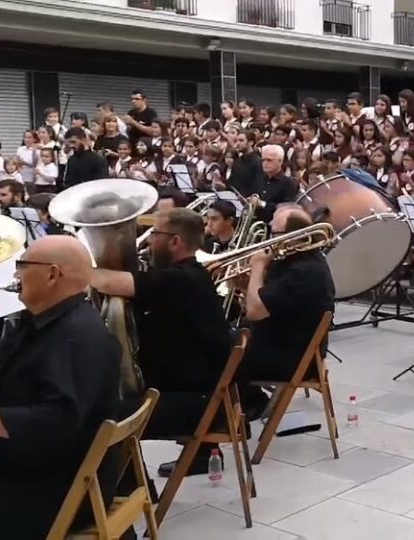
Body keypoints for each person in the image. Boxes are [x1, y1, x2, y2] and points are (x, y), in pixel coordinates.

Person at [0, 235, 121, 539]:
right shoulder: (45, 322)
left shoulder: (76, 337)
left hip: (54, 489)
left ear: (53, 274)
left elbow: (55, 421)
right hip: (35, 471)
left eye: (22, 265)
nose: (15, 274)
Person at [90, 208, 232, 476]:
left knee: (98, 418)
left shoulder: (182, 280)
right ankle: (191, 460)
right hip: (197, 393)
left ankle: (129, 489)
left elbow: (110, 282)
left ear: (175, 241)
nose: (148, 240)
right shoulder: (186, 276)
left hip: (200, 406)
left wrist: (72, 268)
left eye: (155, 234)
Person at [237, 205, 335, 405]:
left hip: (292, 358)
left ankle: (250, 406)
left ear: (293, 236)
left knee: (218, 355)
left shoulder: (304, 271)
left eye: (274, 233)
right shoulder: (293, 261)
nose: (269, 240)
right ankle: (241, 407)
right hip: (280, 343)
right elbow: (266, 303)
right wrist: (245, 286)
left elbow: (255, 311)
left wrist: (258, 266)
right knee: (218, 340)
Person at [252, 144, 298, 225]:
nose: (265, 163)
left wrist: (263, 204)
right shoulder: (259, 178)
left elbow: (287, 208)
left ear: (280, 161)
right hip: (257, 223)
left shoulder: (288, 183)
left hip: (275, 225)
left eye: (269, 160)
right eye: (263, 160)